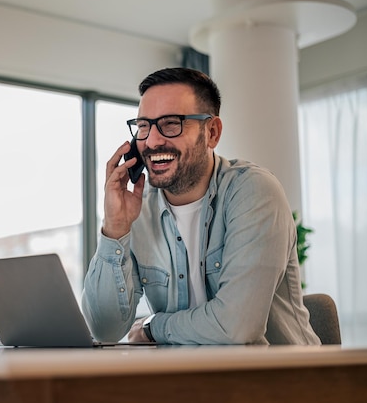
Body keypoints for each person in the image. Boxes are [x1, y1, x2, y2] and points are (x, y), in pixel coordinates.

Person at [82, 67, 320, 345]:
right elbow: (105, 330)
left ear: (212, 133)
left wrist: (152, 326)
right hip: (190, 382)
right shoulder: (139, 209)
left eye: (171, 123)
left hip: (282, 382)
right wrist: (115, 229)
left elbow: (236, 327)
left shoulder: (253, 192)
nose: (152, 140)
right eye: (144, 126)